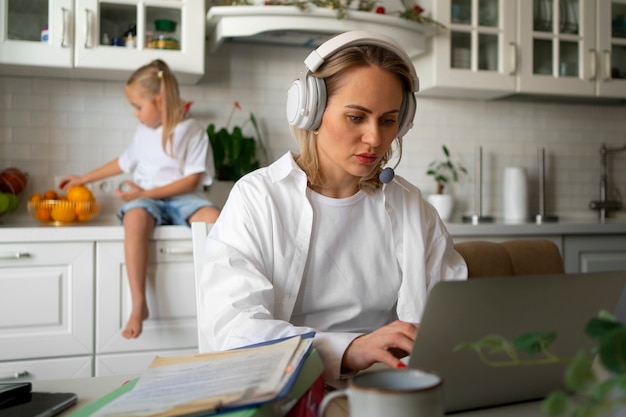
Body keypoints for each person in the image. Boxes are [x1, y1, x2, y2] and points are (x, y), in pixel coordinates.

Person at [196, 31, 467, 381]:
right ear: (310, 111)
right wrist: (349, 350)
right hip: (289, 387)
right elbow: (233, 330)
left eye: (388, 120)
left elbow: (454, 314)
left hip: (387, 387)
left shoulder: (411, 206)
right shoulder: (258, 198)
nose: (375, 138)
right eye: (356, 117)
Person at [59, 59, 220, 339]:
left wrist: (142, 193)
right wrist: (83, 179)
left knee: (215, 220)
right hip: (148, 201)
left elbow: (192, 180)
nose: (135, 114)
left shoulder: (192, 130)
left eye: (138, 106)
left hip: (184, 198)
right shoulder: (143, 132)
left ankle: (220, 301)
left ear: (159, 100)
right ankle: (138, 304)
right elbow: (123, 162)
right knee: (134, 219)